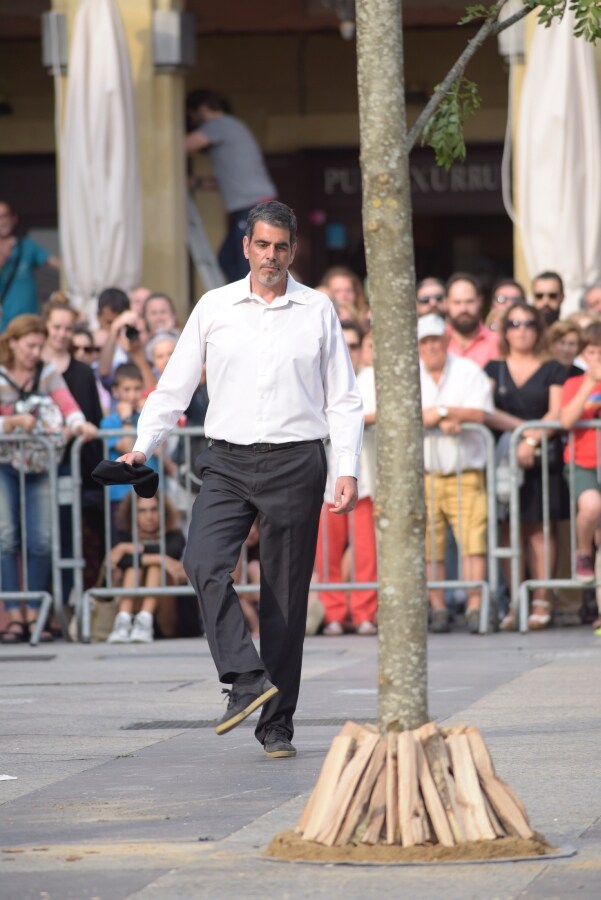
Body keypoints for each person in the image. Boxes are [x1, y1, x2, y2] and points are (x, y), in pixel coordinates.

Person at [117, 200, 363, 759]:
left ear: (293, 251)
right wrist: (140, 447)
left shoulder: (318, 309)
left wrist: (345, 467)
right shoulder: (214, 306)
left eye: (281, 247)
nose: (271, 256)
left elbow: (343, 397)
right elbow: (173, 388)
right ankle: (244, 677)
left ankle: (276, 726)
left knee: (283, 598)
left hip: (297, 460)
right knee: (201, 560)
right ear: (246, 247)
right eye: (262, 245)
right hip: (225, 460)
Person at [0, 315, 95, 643]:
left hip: (41, 465)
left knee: (41, 540)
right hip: (4, 464)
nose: (34, 352)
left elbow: (69, 406)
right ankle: (13, 613)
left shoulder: (48, 372)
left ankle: (37, 612)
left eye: (39, 346)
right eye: (30, 346)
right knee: (7, 538)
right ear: (12, 342)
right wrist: (10, 424)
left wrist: (80, 425)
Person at [485, 302, 568, 630]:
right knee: (508, 530)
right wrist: (520, 430)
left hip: (541, 457)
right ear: (505, 330)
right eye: (515, 323)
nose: (521, 329)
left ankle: (541, 600)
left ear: (539, 329)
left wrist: (531, 439)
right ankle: (515, 602)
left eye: (529, 323)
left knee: (539, 528)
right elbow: (486, 410)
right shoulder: (494, 368)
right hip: (505, 457)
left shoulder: (553, 368)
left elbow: (557, 411)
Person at [418, 313, 494, 634]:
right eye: (425, 341)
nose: (432, 346)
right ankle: (439, 609)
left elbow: (481, 412)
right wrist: (434, 419)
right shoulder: (409, 371)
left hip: (466, 470)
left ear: (447, 340)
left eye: (436, 339)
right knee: (430, 545)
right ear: (418, 346)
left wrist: (444, 412)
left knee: (473, 542)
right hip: (427, 473)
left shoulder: (468, 370)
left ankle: (476, 606)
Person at [316, 321, 378, 636]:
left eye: (355, 346)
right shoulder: (319, 375)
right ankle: (334, 613)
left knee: (366, 553)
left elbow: (375, 412)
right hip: (324, 483)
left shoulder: (369, 378)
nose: (349, 351)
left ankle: (365, 612)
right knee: (326, 555)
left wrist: (346, 419)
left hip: (364, 481)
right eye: (346, 344)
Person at [42, 298, 104, 593]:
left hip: (71, 465)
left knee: (67, 533)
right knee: (38, 535)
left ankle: (64, 602)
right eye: (56, 326)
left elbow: (92, 417)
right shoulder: (33, 367)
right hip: (36, 463)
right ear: (45, 327)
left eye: (67, 328)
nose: (62, 333)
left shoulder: (81, 372)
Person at [185, 89, 278, 282]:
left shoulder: (219, 124)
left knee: (244, 263)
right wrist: (195, 182)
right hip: (252, 206)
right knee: (228, 260)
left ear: (202, 109)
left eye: (191, 116)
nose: (193, 123)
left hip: (253, 207)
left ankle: (251, 304)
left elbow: (179, 146)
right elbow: (228, 182)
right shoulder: (232, 127)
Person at [107, 493, 187, 643]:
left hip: (167, 616)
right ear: (132, 513)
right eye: (142, 511)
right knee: (134, 567)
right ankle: (124, 620)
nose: (149, 516)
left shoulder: (174, 536)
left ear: (163, 511)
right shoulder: (124, 536)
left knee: (154, 567)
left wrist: (128, 549)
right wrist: (161, 558)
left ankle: (145, 618)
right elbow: (121, 561)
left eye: (154, 509)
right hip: (134, 610)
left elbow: (171, 551)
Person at [558, 322, 601, 603]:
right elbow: (566, 420)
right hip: (583, 461)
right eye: (592, 352)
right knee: (591, 506)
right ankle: (583, 550)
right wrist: (589, 383)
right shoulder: (574, 383)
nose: (597, 359)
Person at [100, 363, 159, 524]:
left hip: (150, 495)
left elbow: (160, 450)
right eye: (127, 389)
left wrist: (146, 414)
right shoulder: (109, 422)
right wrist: (126, 419)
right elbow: (129, 449)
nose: (132, 395)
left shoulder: (147, 419)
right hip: (121, 495)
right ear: (115, 391)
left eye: (137, 388)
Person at [0, 201, 60, 332]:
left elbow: (55, 264)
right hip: (3, 322)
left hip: (29, 319)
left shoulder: (27, 246)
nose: (2, 221)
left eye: (5, 216)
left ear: (13, 219)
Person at [445, 273, 500, 368]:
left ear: (480, 301)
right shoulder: (436, 342)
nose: (463, 309)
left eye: (469, 301)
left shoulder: (497, 342)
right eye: (457, 302)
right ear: (446, 303)